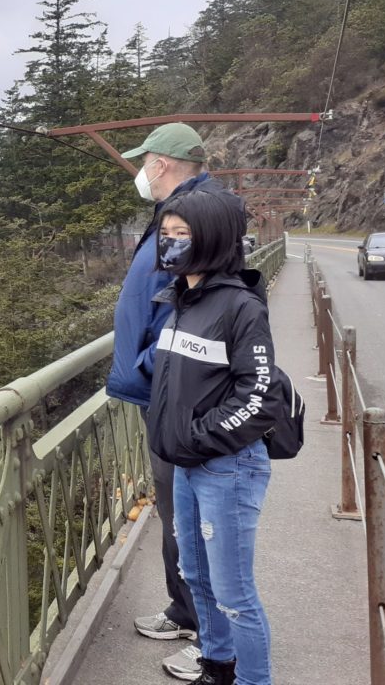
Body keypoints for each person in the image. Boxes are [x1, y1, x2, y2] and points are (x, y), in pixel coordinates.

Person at [106, 123, 231, 681]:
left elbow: (193, 305)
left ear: (159, 164)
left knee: (190, 520)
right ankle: (185, 611)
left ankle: (212, 641)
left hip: (177, 395)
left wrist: (151, 368)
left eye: (144, 161)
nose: (140, 171)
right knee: (175, 511)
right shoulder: (183, 212)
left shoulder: (191, 219)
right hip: (165, 390)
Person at [146, 188, 280, 685]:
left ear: (214, 240)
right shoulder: (183, 297)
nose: (171, 244)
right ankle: (217, 667)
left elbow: (259, 394)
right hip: (189, 463)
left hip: (227, 466)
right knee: (197, 575)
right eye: (166, 235)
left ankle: (252, 679)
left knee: (234, 591)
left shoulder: (239, 307)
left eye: (183, 235)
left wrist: (200, 436)